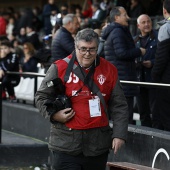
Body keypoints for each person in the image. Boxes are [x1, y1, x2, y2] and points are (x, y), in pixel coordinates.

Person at [35, 28, 128, 170]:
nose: (87, 54)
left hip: (97, 145)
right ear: (75, 47)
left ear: (98, 48)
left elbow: (119, 105)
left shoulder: (110, 70)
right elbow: (41, 97)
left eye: (92, 49)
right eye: (83, 49)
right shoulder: (59, 67)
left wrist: (119, 134)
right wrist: (54, 115)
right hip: (65, 144)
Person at [101, 6, 146, 124]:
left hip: (120, 79)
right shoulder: (118, 32)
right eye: (125, 15)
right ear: (116, 17)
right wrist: (139, 51)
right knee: (125, 117)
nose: (128, 18)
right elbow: (121, 53)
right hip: (123, 80)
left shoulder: (115, 31)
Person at [134, 14, 158, 127]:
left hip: (153, 80)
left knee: (156, 111)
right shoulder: (134, 40)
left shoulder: (158, 37)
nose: (147, 24)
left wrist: (152, 63)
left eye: (148, 21)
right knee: (143, 112)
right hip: (139, 81)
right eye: (143, 22)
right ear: (138, 25)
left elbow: (163, 57)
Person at [151, 0, 170, 131]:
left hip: (166, 80)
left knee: (166, 115)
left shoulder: (166, 28)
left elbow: (161, 56)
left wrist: (155, 76)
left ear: (164, 11)